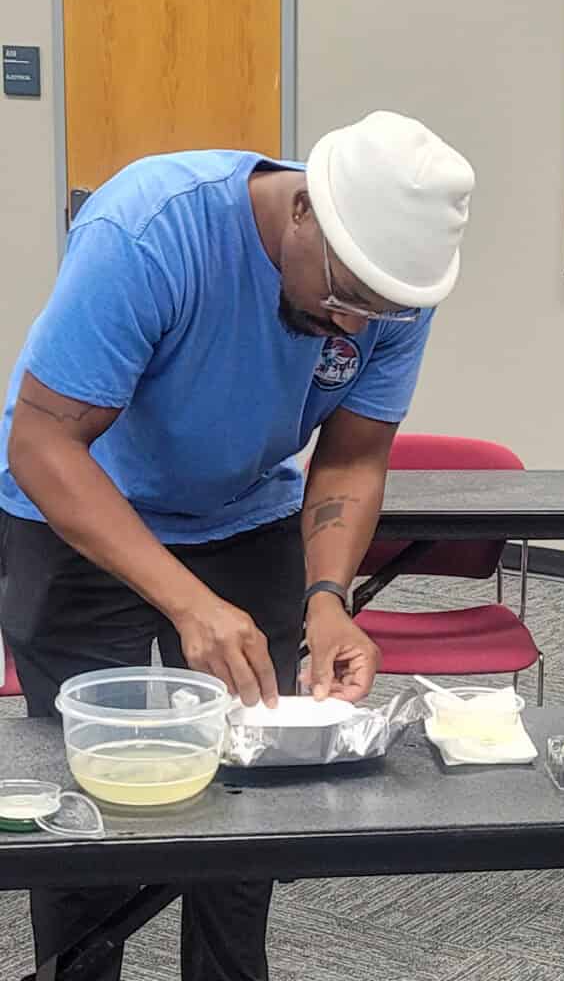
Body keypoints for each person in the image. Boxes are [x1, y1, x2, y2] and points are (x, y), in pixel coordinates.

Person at [0, 110, 474, 980]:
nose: (356, 326)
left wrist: (327, 600)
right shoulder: (149, 229)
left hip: (242, 514)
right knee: (90, 800)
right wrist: (187, 602)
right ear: (300, 211)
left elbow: (355, 456)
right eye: (343, 297)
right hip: (77, 510)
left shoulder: (388, 285)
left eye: (379, 310)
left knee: (251, 789)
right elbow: (42, 442)